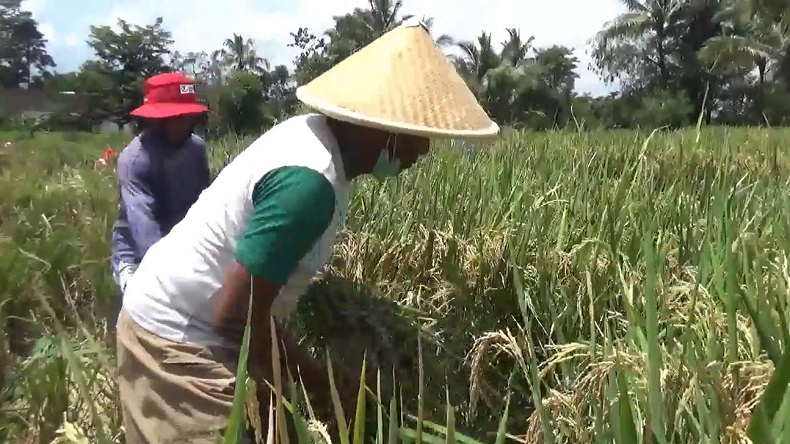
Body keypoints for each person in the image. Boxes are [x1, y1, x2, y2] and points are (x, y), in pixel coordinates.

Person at [116, 18, 499, 444]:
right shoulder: (310, 182)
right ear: (379, 127)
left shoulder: (311, 137)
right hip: (177, 341)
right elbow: (237, 318)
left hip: (196, 322)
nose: (423, 150)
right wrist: (325, 389)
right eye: (416, 135)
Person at [110, 72, 211, 298]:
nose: (185, 124)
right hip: (139, 256)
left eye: (189, 117)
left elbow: (206, 205)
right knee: (147, 308)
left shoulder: (196, 150)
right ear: (158, 120)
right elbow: (145, 233)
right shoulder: (135, 161)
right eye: (178, 118)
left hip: (187, 249)